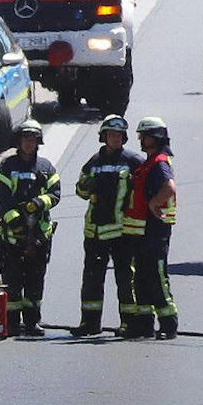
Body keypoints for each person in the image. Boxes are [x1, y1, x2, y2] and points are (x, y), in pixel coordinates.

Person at [72, 115, 144, 337]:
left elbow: (144, 192)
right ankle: (90, 323)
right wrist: (87, 185)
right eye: (111, 135)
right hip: (94, 231)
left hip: (122, 232)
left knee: (125, 277)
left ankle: (129, 324)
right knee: (92, 278)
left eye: (119, 135)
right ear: (104, 137)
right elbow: (81, 192)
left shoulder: (133, 161)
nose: (115, 139)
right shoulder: (94, 161)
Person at [0, 119, 60, 337]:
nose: (29, 143)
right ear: (19, 141)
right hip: (11, 236)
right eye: (25, 139)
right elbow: (2, 197)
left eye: (32, 140)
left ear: (38, 142)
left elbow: (56, 194)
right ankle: (11, 323)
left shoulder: (46, 168)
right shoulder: (7, 166)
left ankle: (32, 322)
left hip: (39, 236)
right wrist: (17, 224)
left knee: (34, 280)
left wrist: (40, 202)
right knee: (12, 279)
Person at [118, 115, 178, 339]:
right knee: (142, 277)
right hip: (143, 230)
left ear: (157, 137)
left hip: (155, 229)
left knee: (156, 276)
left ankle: (168, 324)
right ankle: (143, 325)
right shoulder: (149, 162)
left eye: (146, 136)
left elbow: (169, 187)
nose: (142, 140)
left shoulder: (159, 162)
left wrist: (154, 203)